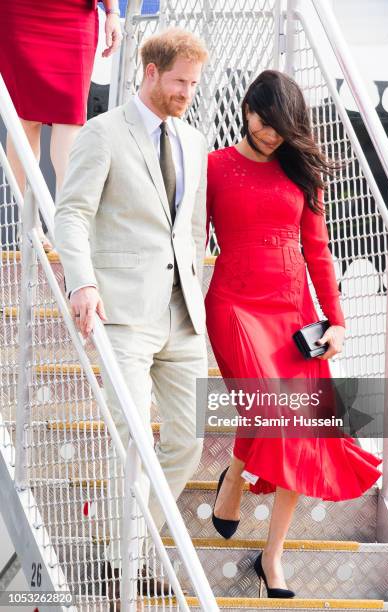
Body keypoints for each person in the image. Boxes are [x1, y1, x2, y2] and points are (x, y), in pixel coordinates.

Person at [205, 70, 382, 598]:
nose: (272, 134)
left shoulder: (301, 173)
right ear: (247, 109)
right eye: (266, 123)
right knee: (272, 412)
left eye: (283, 127)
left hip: (294, 313)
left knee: (304, 431)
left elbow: (318, 251)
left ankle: (273, 556)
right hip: (234, 305)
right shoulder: (214, 167)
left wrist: (338, 320)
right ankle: (235, 475)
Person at [54, 28, 209, 602]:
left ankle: (123, 538)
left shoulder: (194, 141)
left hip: (182, 316)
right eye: (178, 82)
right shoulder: (102, 134)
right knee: (132, 437)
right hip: (121, 310)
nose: (186, 94)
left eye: (193, 84)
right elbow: (70, 213)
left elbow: (191, 231)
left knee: (188, 440)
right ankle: (128, 565)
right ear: (149, 72)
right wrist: (83, 281)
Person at [0, 0, 122, 251]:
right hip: (19, 13)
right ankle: (29, 226)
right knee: (24, 120)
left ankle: (67, 228)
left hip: (74, 15)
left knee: (71, 121)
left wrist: (113, 11)